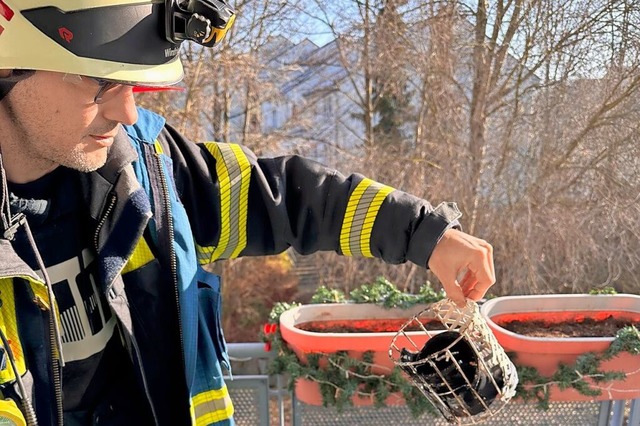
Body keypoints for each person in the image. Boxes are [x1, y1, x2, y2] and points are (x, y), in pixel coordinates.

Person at [0, 1, 495, 425]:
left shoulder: (144, 170)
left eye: (134, 83)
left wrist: (425, 234)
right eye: (102, 82)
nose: (128, 112)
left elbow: (287, 198)